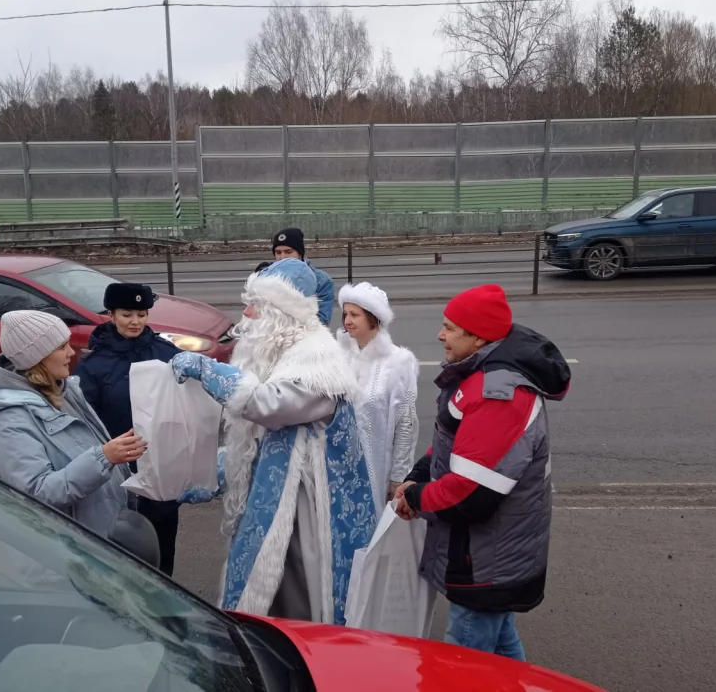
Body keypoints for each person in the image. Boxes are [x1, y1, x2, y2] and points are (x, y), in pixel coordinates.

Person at [170, 258, 376, 626]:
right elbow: (260, 442)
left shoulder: (318, 364)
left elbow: (266, 404)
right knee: (268, 593)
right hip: (276, 500)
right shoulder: (277, 355)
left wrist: (208, 370)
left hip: (305, 511)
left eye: (256, 306)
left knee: (300, 595)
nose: (246, 315)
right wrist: (213, 473)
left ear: (282, 314)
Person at [394, 285, 571, 662]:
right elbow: (456, 445)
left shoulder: (496, 395)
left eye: (449, 328)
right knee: (501, 650)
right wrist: (420, 473)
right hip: (489, 552)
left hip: (485, 558)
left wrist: (415, 497)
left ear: (478, 338)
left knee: (464, 664)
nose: (440, 335)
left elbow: (470, 494)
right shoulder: (480, 373)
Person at [0, 310, 146, 538]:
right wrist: (104, 458)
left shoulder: (63, 390)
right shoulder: (8, 424)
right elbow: (36, 493)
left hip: (96, 536)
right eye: (61, 347)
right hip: (67, 548)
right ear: (37, 357)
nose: (71, 352)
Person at [75, 282, 183, 576]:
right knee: (119, 557)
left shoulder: (167, 353)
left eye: (141, 314)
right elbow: (84, 422)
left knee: (162, 554)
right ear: (110, 315)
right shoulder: (93, 365)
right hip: (118, 473)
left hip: (162, 471)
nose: (135, 321)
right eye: (126, 314)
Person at [336, 282, 419, 513]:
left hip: (376, 468)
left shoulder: (398, 362)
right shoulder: (338, 356)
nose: (347, 320)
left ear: (373, 318)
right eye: (345, 314)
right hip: (337, 467)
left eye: (355, 315)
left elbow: (405, 423)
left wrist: (398, 476)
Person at [272, 227, 335, 325]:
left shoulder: (322, 281)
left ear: (300, 253)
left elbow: (321, 322)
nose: (282, 257)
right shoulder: (266, 277)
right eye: (278, 252)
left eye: (288, 252)